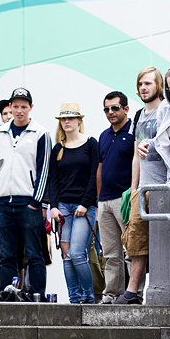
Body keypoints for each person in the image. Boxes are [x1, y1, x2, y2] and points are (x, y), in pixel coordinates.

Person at [0, 87, 51, 298]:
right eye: (15, 106)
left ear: (30, 108)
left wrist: (36, 202)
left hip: (28, 203)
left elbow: (44, 170)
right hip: (3, 203)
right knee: (7, 255)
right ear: (10, 107)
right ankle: (7, 293)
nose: (19, 110)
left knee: (35, 254)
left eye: (23, 106)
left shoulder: (41, 133)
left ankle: (37, 294)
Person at [123, 67, 166, 305]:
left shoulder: (166, 111)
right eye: (140, 83)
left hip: (164, 186)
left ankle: (156, 292)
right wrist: (133, 188)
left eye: (148, 83)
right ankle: (132, 292)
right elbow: (135, 155)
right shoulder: (139, 115)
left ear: (158, 85)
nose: (143, 88)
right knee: (136, 239)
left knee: (161, 240)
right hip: (143, 186)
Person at [48, 103, 99, 304]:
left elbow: (95, 176)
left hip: (84, 208)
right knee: (66, 255)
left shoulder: (90, 143)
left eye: (71, 118)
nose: (67, 122)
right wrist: (52, 206)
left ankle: (88, 297)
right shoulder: (58, 148)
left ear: (79, 120)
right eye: (63, 119)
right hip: (63, 207)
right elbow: (53, 180)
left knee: (78, 253)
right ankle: (74, 299)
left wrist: (85, 203)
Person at [96, 91, 133, 304]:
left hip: (125, 199)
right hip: (105, 201)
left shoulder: (134, 132)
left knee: (131, 250)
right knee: (110, 253)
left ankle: (134, 293)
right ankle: (112, 294)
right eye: (106, 109)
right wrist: (99, 200)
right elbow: (100, 169)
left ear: (125, 109)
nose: (110, 112)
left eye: (115, 108)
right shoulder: (103, 135)